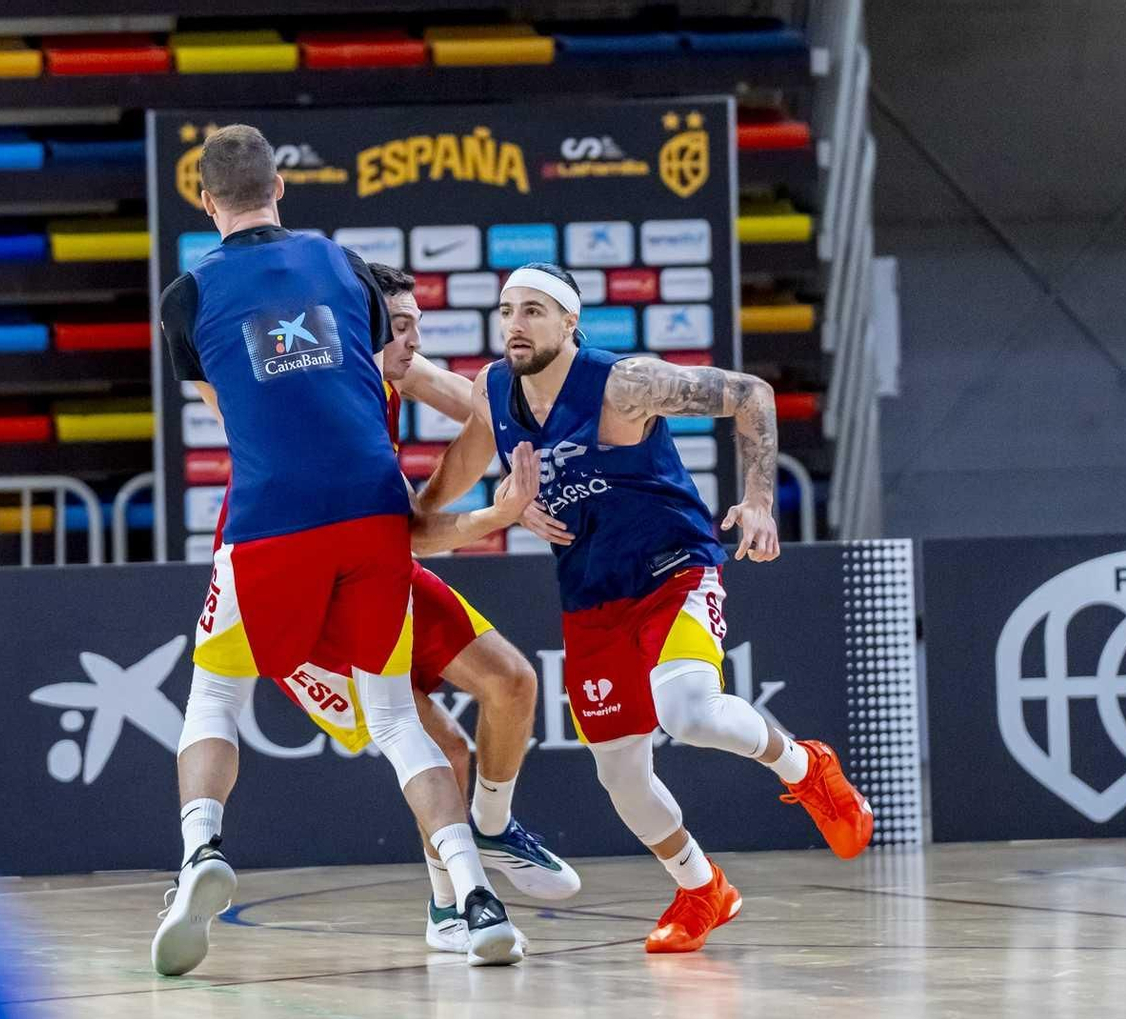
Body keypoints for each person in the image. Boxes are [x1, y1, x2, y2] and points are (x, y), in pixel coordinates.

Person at [150, 123, 530, 974]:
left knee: (215, 696)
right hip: (373, 509)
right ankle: (474, 897)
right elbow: (364, 373)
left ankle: (201, 853)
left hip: (272, 514)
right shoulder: (343, 266)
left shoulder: (186, 297)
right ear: (280, 187)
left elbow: (231, 407)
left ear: (206, 201)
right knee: (398, 716)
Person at [417, 262, 875, 954]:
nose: (515, 324)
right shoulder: (494, 391)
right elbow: (447, 478)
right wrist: (494, 513)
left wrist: (756, 499)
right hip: (593, 596)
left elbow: (750, 393)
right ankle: (701, 887)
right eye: (508, 310)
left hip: (674, 568)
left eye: (535, 311)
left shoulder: (622, 384)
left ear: (571, 323)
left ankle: (807, 769)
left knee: (687, 710)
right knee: (621, 776)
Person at [265, 262, 580, 956]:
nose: (413, 344)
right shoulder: (336, 412)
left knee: (513, 681)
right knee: (443, 747)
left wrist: (562, 410)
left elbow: (485, 404)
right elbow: (413, 529)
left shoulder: (389, 364)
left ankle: (492, 828)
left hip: (379, 569)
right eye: (401, 328)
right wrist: (496, 515)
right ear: (360, 331)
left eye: (415, 327)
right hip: (311, 611)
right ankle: (451, 905)